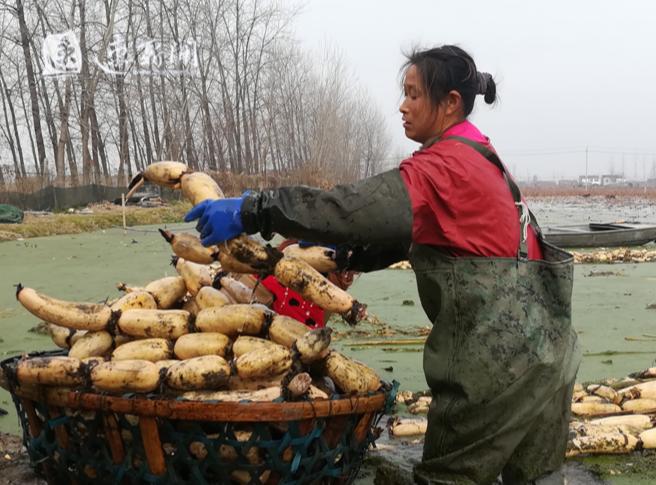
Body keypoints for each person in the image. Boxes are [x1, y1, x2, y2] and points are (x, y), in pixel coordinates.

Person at [185, 45, 580, 485]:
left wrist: (255, 209)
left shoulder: (444, 166)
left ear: (450, 102)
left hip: (496, 367)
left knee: (449, 480)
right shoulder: (480, 155)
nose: (402, 105)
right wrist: (348, 255)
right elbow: (425, 236)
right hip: (552, 356)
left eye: (413, 94)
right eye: (403, 93)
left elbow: (352, 207)